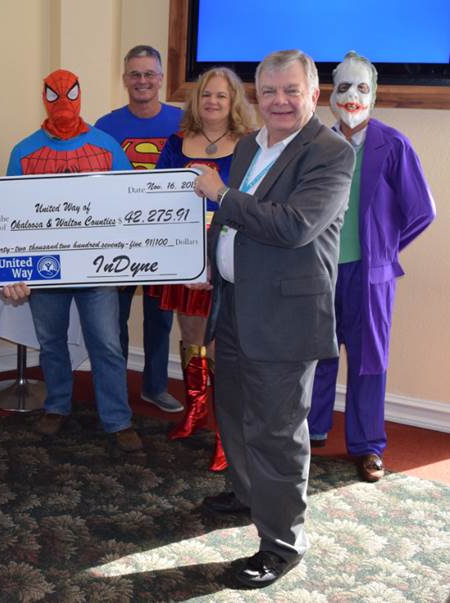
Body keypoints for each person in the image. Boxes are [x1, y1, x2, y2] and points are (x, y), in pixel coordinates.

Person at [193, 50, 355, 587]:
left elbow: (294, 226)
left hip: (286, 318)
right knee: (236, 412)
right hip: (236, 305)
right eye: (269, 92)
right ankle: (247, 494)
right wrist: (205, 263)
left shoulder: (330, 152)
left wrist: (222, 195)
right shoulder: (248, 146)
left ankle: (283, 545)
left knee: (278, 432)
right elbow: (236, 228)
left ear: (314, 94)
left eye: (291, 90)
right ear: (256, 97)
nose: (280, 101)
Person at [308, 51, 435, 482]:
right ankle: (311, 431)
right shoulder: (316, 143)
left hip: (370, 277)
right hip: (320, 271)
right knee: (318, 353)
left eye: (362, 87)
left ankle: (367, 445)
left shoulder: (393, 144)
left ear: (374, 94)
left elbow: (421, 211)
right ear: (330, 95)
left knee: (368, 362)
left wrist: (383, 250)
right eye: (344, 86)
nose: (353, 95)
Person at [6, 69, 143, 453]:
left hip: (97, 266)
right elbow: (9, 215)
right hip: (46, 267)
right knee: (51, 342)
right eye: (55, 95)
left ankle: (117, 418)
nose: (63, 102)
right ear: (44, 97)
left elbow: (130, 201)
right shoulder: (25, 151)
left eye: (70, 94)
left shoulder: (105, 146)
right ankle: (57, 404)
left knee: (107, 343)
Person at [154, 67, 256, 470]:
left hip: (226, 253)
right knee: (191, 333)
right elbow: (156, 192)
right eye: (206, 95)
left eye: (221, 96)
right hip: (184, 252)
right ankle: (195, 410)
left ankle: (225, 433)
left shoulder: (249, 145)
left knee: (220, 343)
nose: (212, 102)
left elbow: (249, 200)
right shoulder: (176, 143)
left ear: (234, 103)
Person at [94, 45, 183, 413]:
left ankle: (155, 386)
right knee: (112, 318)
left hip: (163, 237)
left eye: (149, 74)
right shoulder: (106, 126)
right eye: (135, 74)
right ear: (125, 79)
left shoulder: (182, 122)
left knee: (159, 316)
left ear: (160, 78)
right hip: (118, 237)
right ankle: (114, 391)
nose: (142, 81)